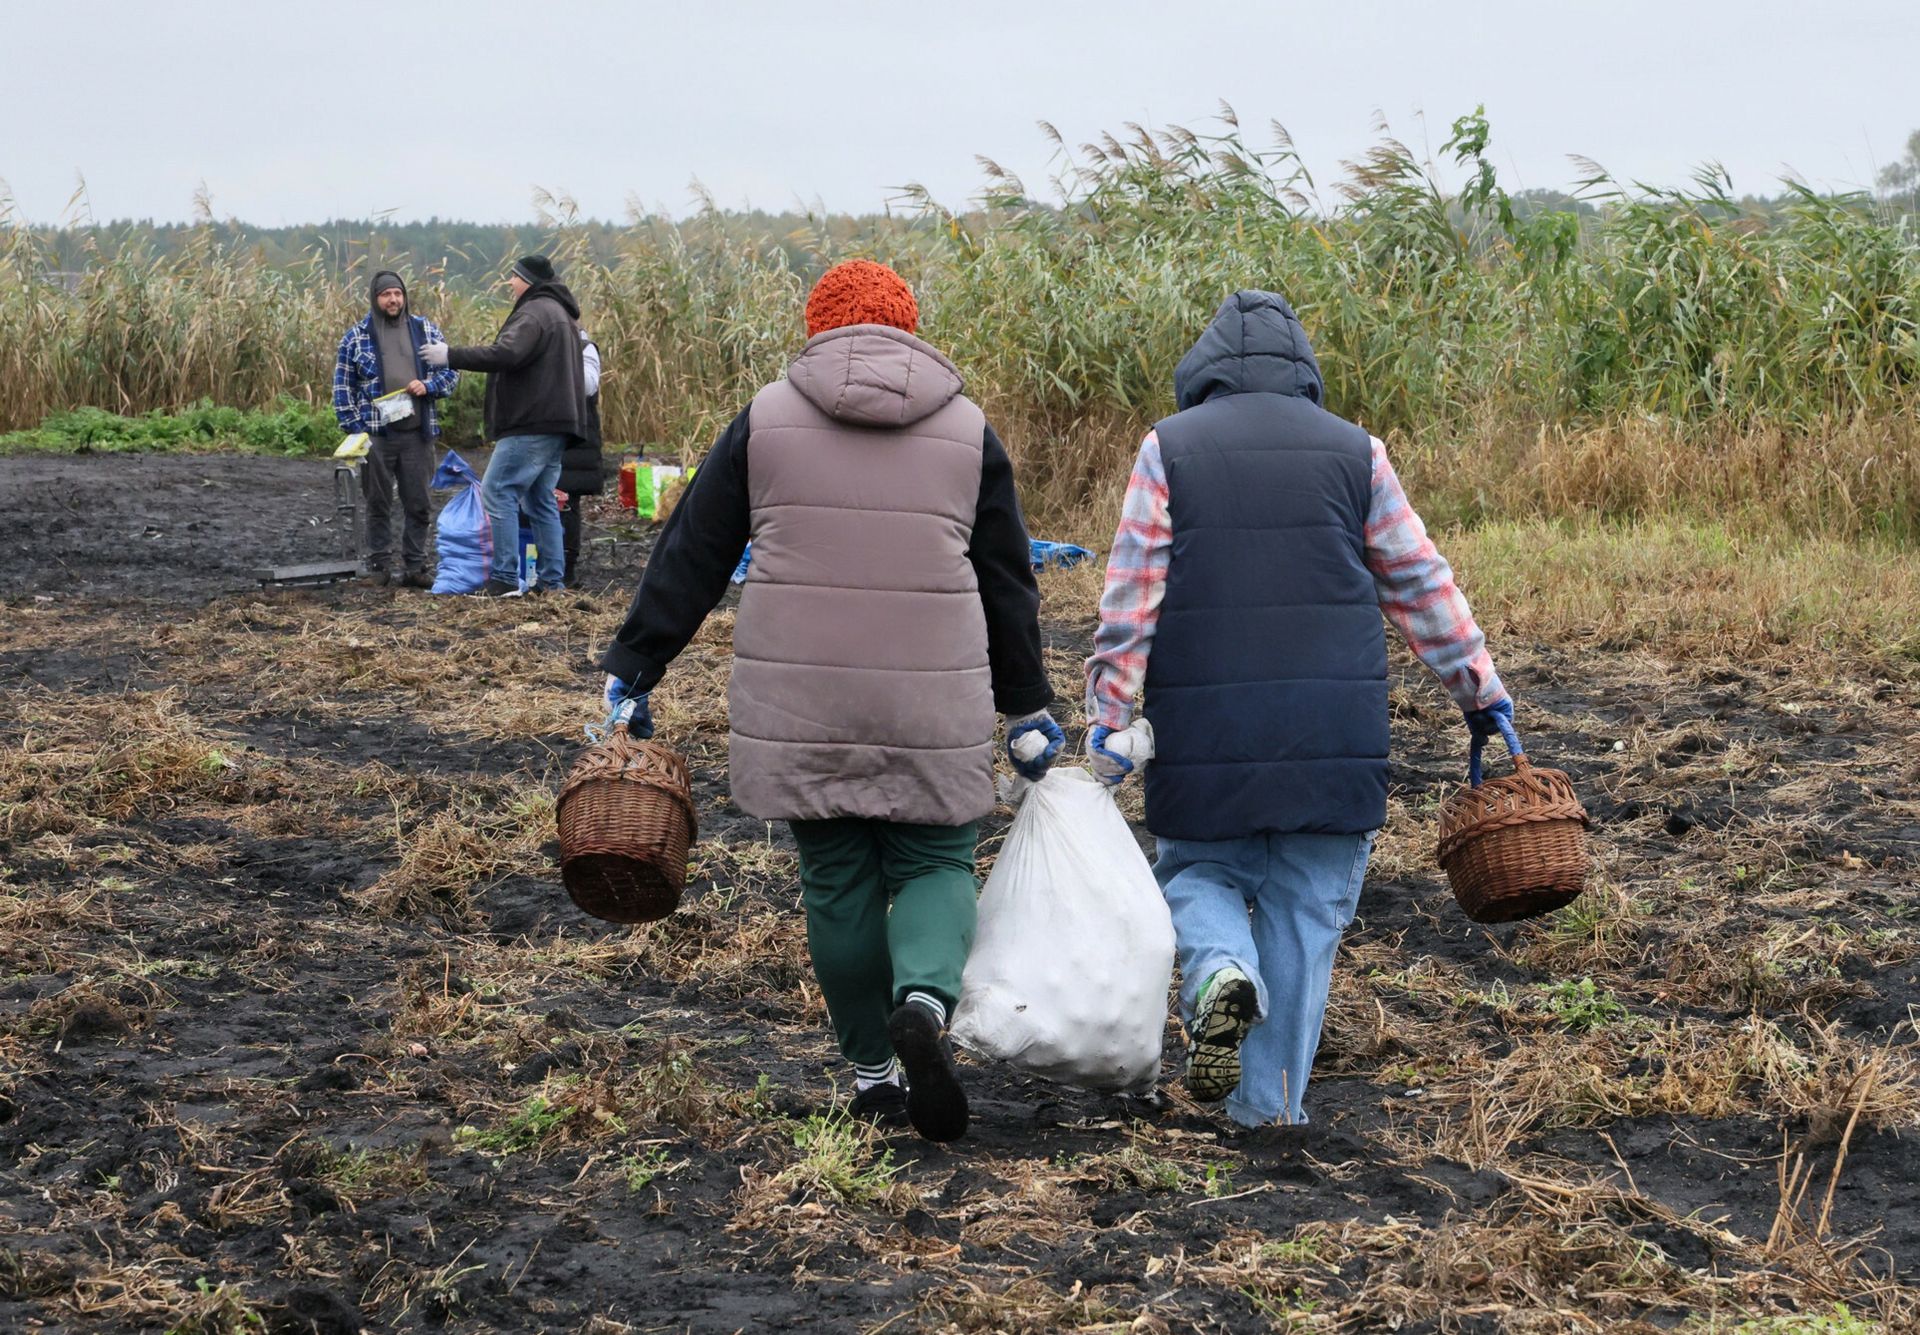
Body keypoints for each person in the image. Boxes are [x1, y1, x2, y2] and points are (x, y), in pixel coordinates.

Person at [599, 260, 1063, 1143]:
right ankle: (923, 1003)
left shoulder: (767, 418)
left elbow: (694, 550)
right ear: (908, 328)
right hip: (931, 696)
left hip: (801, 698)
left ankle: (874, 1077)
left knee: (837, 878)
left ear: (817, 328)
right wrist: (1026, 703)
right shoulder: (967, 429)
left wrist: (637, 662)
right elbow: (1007, 578)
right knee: (935, 861)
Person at [1084, 289, 1514, 1131]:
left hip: (1205, 735)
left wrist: (1109, 713)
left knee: (1199, 873)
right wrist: (1481, 690)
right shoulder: (1358, 453)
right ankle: (1268, 1110)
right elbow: (1421, 583)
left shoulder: (1168, 447)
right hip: (1332, 736)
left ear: (1205, 372)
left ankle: (1219, 973)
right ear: (1304, 372)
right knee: (1306, 911)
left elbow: (1131, 598)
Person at [420, 255, 587, 597]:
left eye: (514, 277)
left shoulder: (534, 312)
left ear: (528, 280)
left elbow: (505, 354)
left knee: (497, 492)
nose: (510, 283)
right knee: (540, 501)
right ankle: (552, 582)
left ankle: (505, 577)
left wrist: (450, 356)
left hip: (530, 422)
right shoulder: (561, 314)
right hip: (556, 424)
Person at [330, 270, 458, 587]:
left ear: (404, 297)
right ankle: (380, 566)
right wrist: (356, 429)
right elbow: (343, 389)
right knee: (378, 503)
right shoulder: (356, 337)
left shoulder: (425, 330)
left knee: (419, 503)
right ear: (375, 298)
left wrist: (428, 386)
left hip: (417, 434)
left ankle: (415, 566)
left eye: (398, 294)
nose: (393, 299)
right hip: (377, 435)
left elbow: (451, 373)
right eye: (386, 294)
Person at [553, 327, 604, 587]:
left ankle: (568, 568)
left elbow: (587, 385)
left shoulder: (585, 348)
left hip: (577, 439)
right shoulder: (547, 346)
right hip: (550, 431)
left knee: (567, 503)